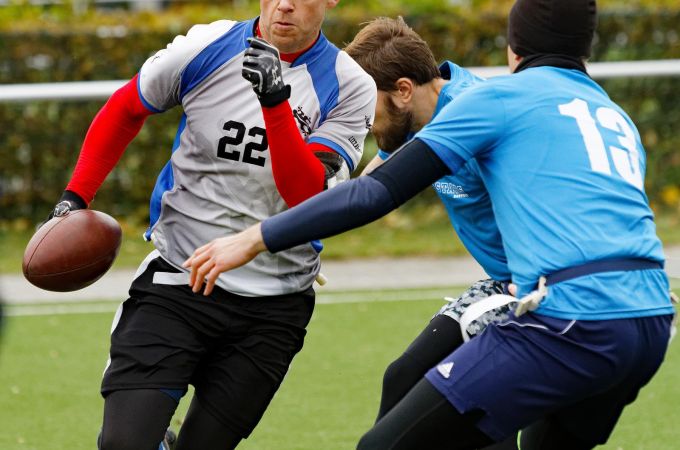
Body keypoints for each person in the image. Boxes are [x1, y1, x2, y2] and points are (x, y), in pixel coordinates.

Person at [183, 1, 676, 449]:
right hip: (649, 315)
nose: (367, 120)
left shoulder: (489, 101)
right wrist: (303, 232)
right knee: (413, 385)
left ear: (513, 47)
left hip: (562, 308)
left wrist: (255, 239)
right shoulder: (610, 113)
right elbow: (368, 180)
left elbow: (374, 194)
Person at [47, 0, 376, 448]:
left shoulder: (350, 85)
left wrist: (275, 104)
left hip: (274, 303)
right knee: (124, 444)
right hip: (179, 279)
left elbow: (305, 195)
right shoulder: (209, 44)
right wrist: (75, 197)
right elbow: (126, 107)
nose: (284, 4)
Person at [344, 17, 516, 438]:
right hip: (503, 281)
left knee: (428, 393)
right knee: (407, 381)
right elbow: (369, 189)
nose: (367, 121)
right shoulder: (422, 110)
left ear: (402, 91)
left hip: (535, 288)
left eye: (369, 105)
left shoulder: (470, 116)